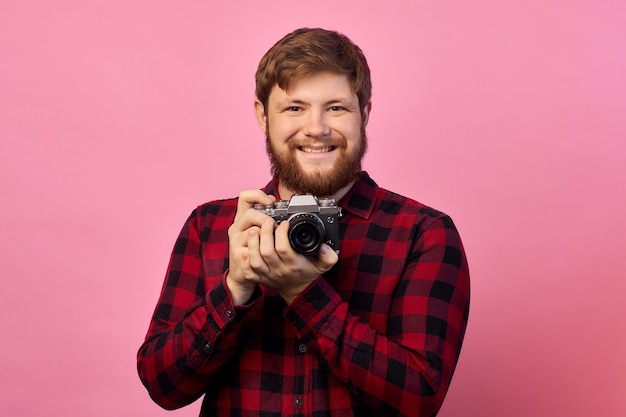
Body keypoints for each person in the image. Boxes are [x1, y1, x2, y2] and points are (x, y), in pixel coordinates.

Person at [137, 27, 470, 417]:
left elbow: (419, 397)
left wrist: (303, 293)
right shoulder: (211, 227)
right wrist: (234, 288)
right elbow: (163, 387)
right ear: (263, 116)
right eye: (294, 108)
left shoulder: (423, 234)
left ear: (364, 114)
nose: (316, 128)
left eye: (336, 108)